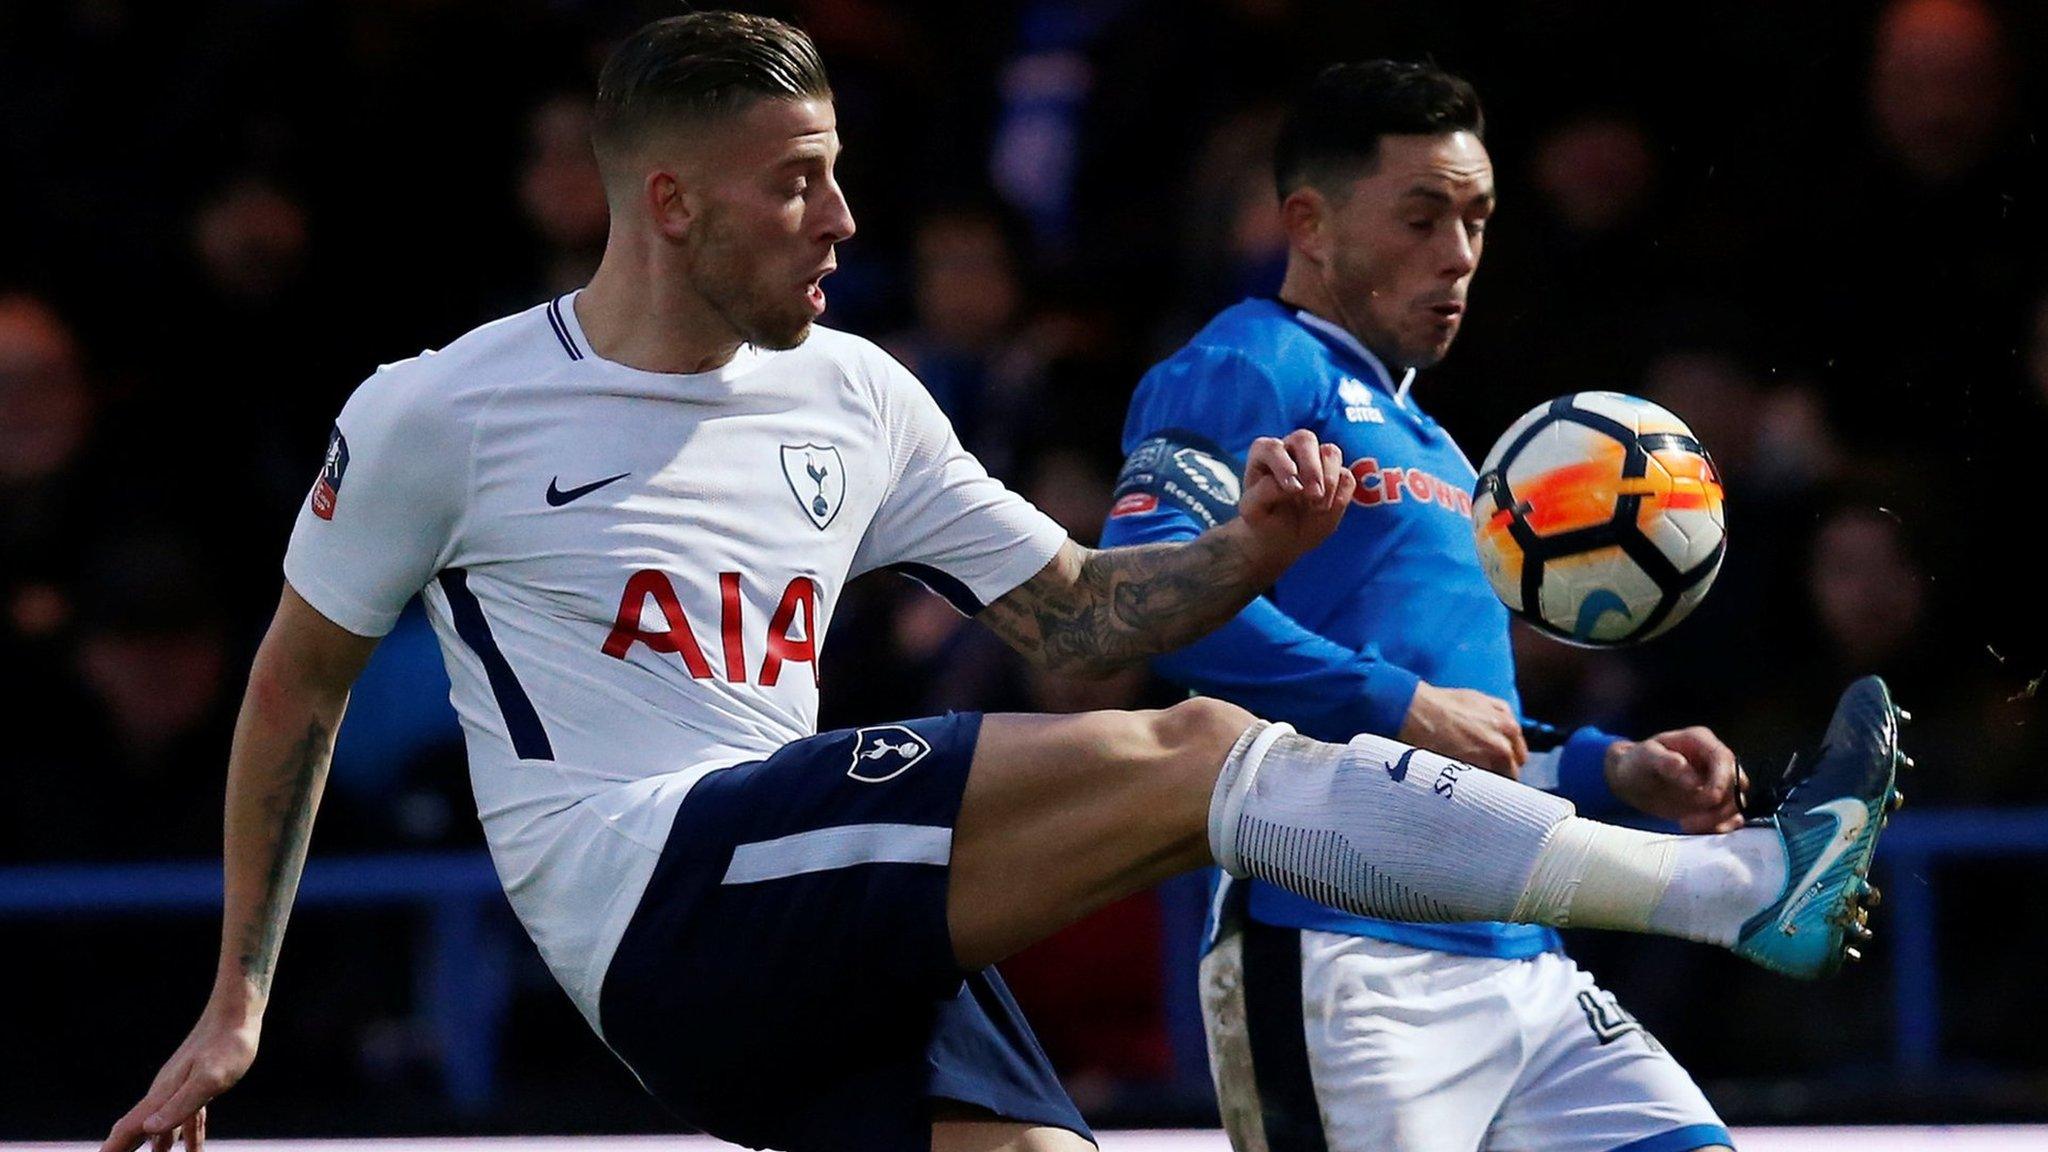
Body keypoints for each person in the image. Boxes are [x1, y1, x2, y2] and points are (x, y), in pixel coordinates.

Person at [103, 16, 1902, 1152]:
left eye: (839, 177)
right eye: (797, 184)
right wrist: (239, 1002)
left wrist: (1242, 552)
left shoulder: (858, 393)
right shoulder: (444, 405)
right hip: (653, 888)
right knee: (1199, 758)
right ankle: (1727, 890)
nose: (841, 220)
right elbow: (296, 682)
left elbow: (1075, 626)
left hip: (822, 930)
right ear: (664, 201)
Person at [1100, 62, 1887, 1152]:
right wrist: (1399, 701)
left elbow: (1470, 729)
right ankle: (1743, 887)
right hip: (1342, 955)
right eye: (1421, 217)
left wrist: (1611, 766)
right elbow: (1145, 590)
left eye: (1474, 219)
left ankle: (1739, 880)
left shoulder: (1436, 444)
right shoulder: (1243, 363)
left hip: (1523, 959)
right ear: (1308, 223)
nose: (1458, 255)